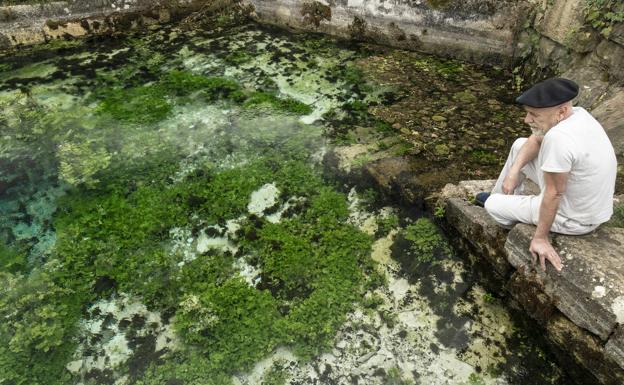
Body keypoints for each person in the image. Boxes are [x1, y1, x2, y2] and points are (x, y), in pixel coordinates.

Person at [476, 77, 617, 272]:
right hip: (581, 199)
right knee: (520, 145)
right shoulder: (577, 114)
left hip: (574, 218)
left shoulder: (559, 138)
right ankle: (504, 196)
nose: (527, 120)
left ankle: (504, 207)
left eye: (534, 114)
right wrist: (513, 172)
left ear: (560, 112)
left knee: (492, 206)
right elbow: (535, 138)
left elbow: (554, 193)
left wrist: (540, 238)